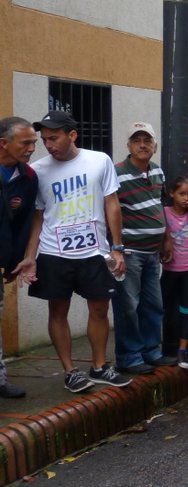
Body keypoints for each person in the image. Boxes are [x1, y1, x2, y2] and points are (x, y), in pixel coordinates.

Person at [16, 110, 130, 392]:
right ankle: (70, 371)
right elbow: (37, 217)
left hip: (95, 251)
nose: (48, 144)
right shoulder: (38, 171)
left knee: (100, 308)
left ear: (72, 135)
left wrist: (117, 248)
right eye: (44, 140)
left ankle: (100, 366)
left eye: (54, 138)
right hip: (55, 252)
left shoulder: (98, 161)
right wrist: (31, 256)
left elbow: (112, 204)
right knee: (58, 310)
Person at [112, 122, 175, 375]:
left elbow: (160, 205)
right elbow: (111, 210)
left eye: (147, 140)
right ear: (128, 145)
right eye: (136, 140)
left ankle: (151, 351)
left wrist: (166, 238)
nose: (142, 145)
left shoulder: (157, 171)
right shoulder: (116, 173)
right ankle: (129, 357)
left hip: (152, 252)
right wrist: (116, 248)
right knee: (128, 306)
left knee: (153, 304)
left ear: (154, 145)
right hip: (129, 252)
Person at [0, 116, 39, 398]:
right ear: (4, 143)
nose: (32, 148)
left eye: (33, 143)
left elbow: (24, 222)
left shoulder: (27, 177)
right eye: (26, 143)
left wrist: (16, 261)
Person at [160, 175, 188, 369]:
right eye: (181, 194)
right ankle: (165, 347)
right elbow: (162, 236)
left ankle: (182, 350)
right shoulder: (165, 212)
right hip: (171, 268)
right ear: (172, 193)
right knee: (167, 307)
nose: (186, 198)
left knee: (186, 308)